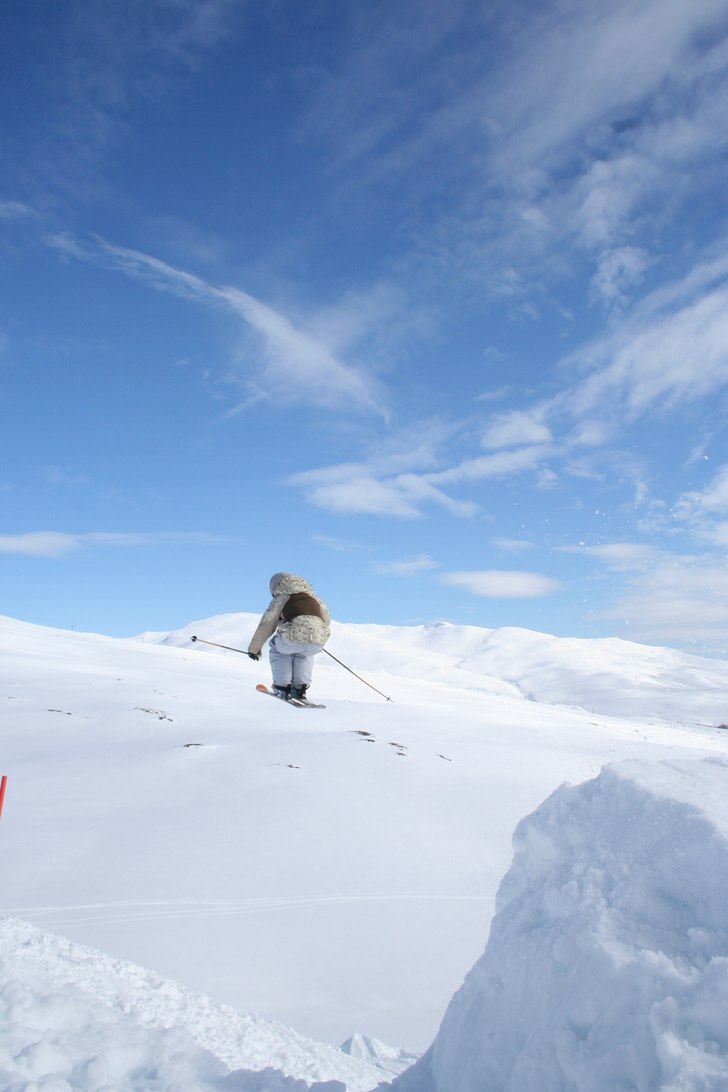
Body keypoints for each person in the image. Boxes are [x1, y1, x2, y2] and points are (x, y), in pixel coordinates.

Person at [247, 573, 331, 701]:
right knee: (304, 654)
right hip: (318, 638)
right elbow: (326, 619)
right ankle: (300, 688)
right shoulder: (314, 598)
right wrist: (313, 635)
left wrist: (254, 649)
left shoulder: (282, 597)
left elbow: (267, 623)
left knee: (278, 650)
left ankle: (282, 687)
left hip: (294, 636)